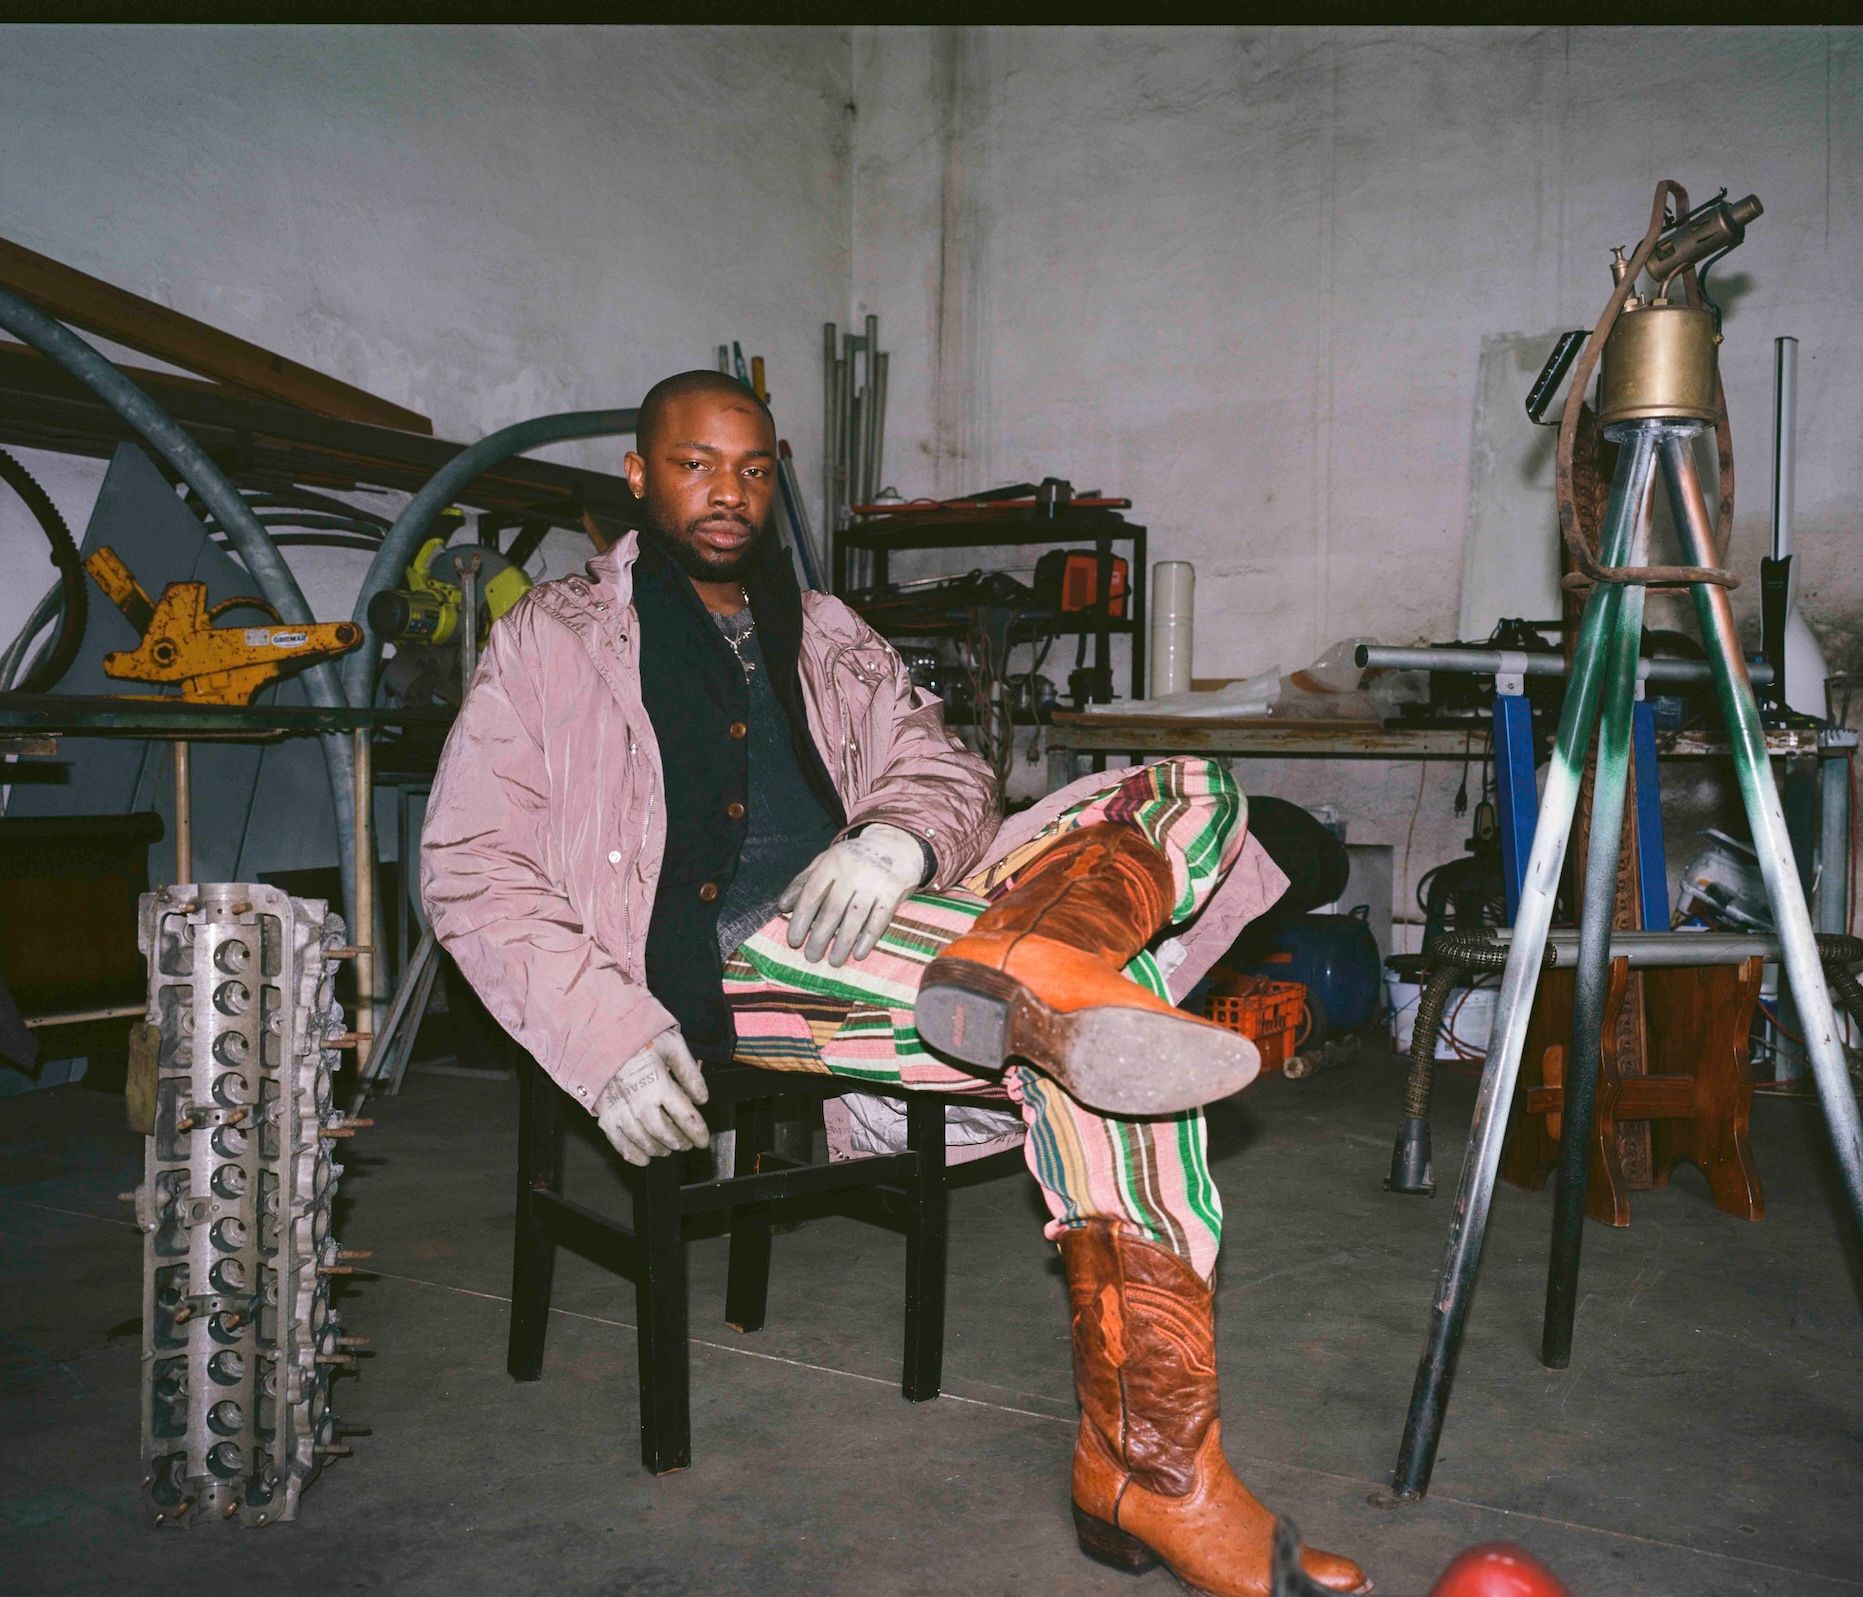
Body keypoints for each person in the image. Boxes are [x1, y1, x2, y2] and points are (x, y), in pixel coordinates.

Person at [420, 371, 1371, 1597]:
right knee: (1103, 1052)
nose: (729, 492)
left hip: (901, 919)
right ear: (638, 477)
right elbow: (469, 859)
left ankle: (1035, 965)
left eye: (755, 468)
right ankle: (1154, 1474)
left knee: (1190, 787)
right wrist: (600, 1036)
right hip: (730, 968)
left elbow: (946, 771)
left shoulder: (825, 631)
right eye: (697, 463)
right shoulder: (550, 638)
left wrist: (896, 841)